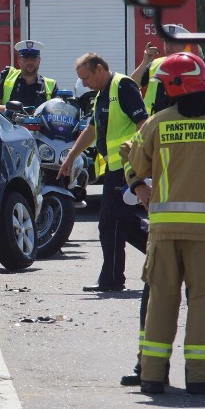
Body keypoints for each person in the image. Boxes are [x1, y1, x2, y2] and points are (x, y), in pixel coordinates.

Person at [120, 52, 205, 395]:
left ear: (169, 86)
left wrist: (138, 185)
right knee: (202, 299)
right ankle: (200, 377)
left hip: (164, 230)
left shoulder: (156, 123)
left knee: (161, 299)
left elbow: (136, 166)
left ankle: (152, 375)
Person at [58, 53, 148, 292]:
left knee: (109, 223)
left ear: (99, 69)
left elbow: (143, 124)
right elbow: (92, 129)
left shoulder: (124, 86)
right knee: (125, 224)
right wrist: (71, 156)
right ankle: (169, 257)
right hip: (115, 169)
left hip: (128, 168)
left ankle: (111, 280)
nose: (84, 83)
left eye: (86, 77)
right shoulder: (101, 95)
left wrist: (141, 161)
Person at [130, 24, 204, 115]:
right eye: (166, 42)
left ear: (184, 45)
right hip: (154, 123)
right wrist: (145, 62)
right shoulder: (155, 64)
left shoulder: (193, 68)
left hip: (180, 124)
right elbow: (131, 85)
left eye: (173, 43)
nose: (168, 47)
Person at [0, 40, 58, 114]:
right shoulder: (7, 76)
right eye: (25, 58)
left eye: (33, 58)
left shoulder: (51, 85)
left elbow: (58, 112)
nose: (30, 62)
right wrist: (8, 110)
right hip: (10, 124)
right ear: (19, 60)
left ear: (39, 61)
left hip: (39, 125)